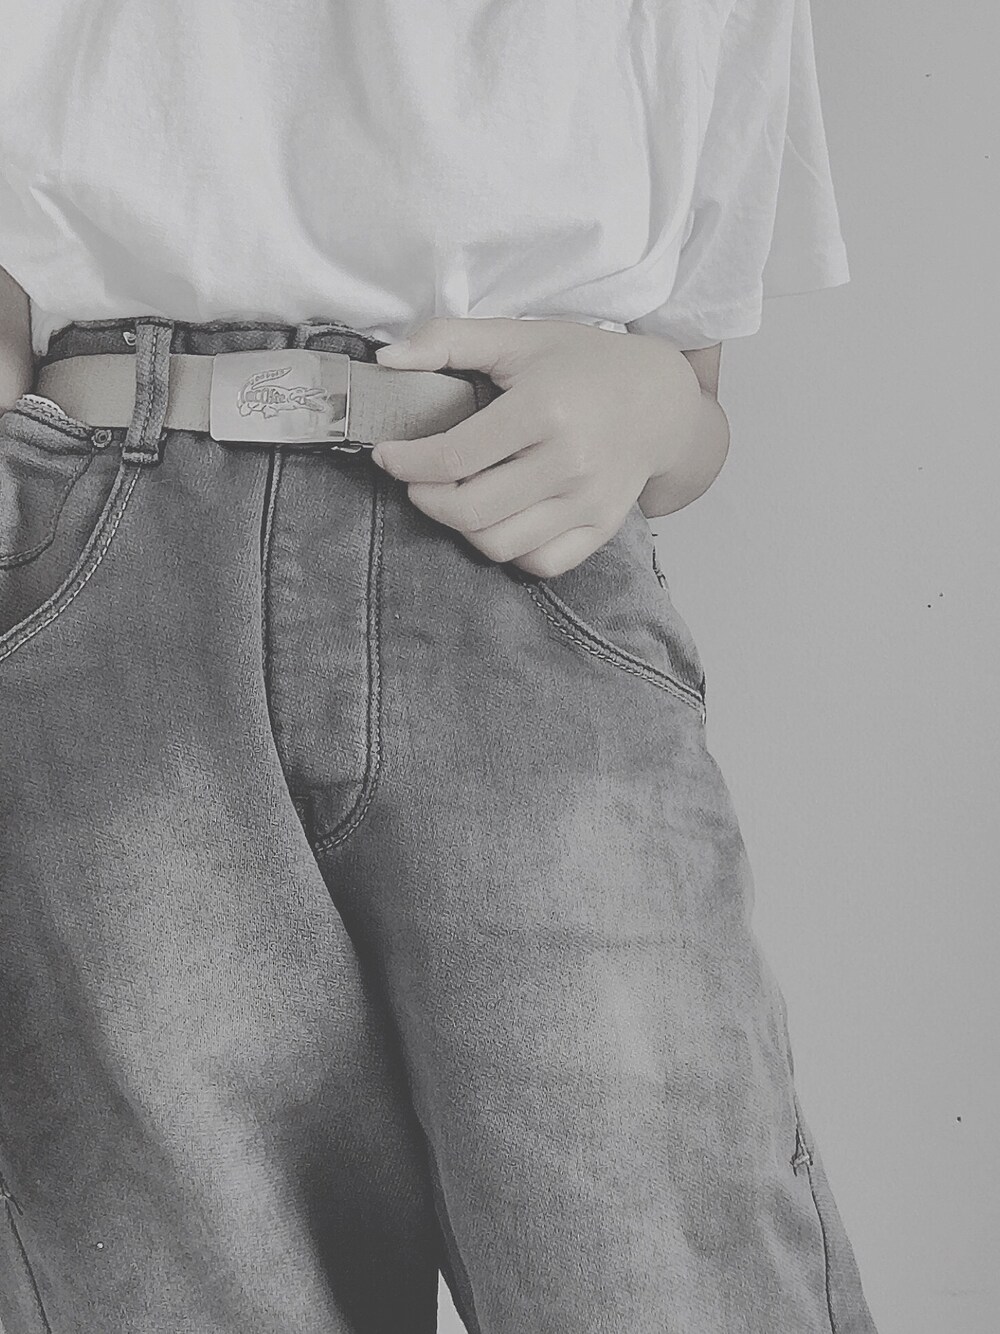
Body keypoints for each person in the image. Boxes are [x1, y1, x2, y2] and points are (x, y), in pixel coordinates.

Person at [0, 2, 879, 1331]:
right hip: (103, 580)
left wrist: (654, 410)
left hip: (520, 570)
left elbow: (692, 397)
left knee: (662, 1274)